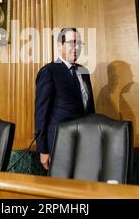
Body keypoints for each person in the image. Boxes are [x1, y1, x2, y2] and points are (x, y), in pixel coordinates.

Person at [35, 28, 95, 170]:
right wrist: (43, 149)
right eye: (72, 43)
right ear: (59, 46)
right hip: (59, 144)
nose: (77, 47)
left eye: (79, 43)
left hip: (84, 143)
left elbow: (89, 107)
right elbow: (41, 114)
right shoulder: (49, 71)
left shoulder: (83, 71)